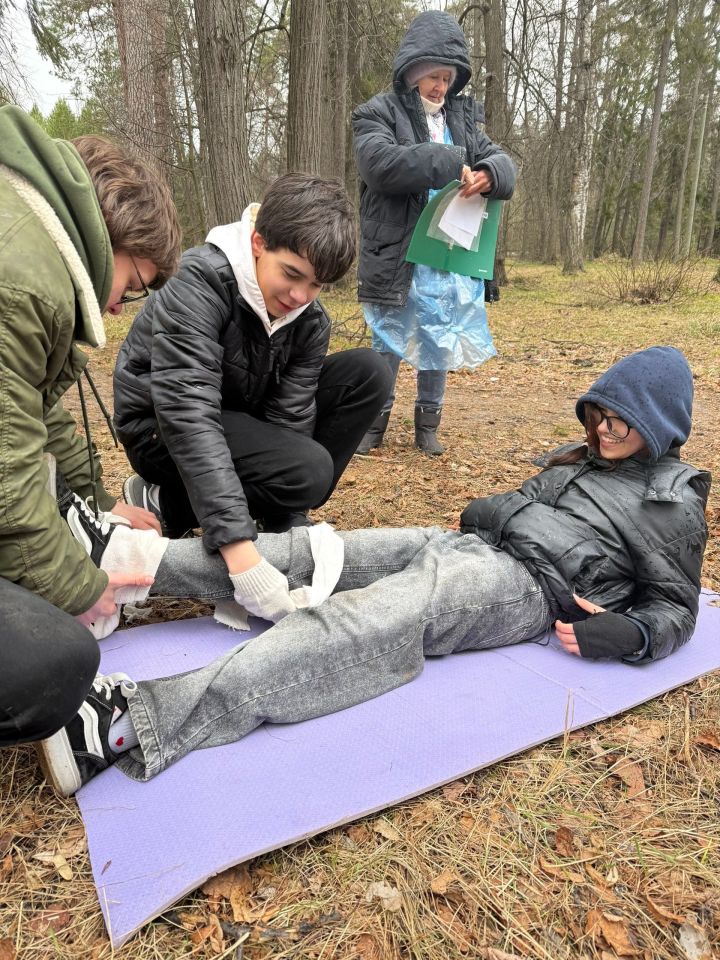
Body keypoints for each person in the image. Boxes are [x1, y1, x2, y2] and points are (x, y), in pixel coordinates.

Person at [28, 346, 709, 797]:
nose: (603, 429)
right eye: (599, 416)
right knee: (312, 552)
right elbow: (516, 506)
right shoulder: (583, 458)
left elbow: (675, 609)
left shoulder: (671, 503)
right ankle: (123, 560)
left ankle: (130, 722)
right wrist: (486, 513)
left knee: (364, 620)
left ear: (659, 423)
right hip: (472, 544)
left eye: (621, 421)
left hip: (526, 587)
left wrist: (628, 634)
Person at [113, 173, 393, 619]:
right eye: (292, 274)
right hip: (160, 428)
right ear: (259, 242)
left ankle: (269, 513)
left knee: (368, 373)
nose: (300, 296)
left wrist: (288, 512)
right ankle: (165, 501)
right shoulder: (199, 280)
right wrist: (238, 547)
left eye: (316, 285)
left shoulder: (309, 320)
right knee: (308, 469)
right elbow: (187, 411)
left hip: (240, 421)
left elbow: (289, 419)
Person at [0, 104, 181, 645]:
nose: (120, 307)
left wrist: (99, 501)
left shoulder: (30, 236)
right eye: (132, 285)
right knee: (60, 658)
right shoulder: (25, 286)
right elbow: (5, 471)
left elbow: (33, 411)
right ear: (112, 238)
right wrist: (77, 589)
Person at [353, 10, 517, 456]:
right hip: (398, 251)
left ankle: (428, 425)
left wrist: (489, 173)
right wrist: (450, 160)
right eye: (433, 75)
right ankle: (372, 425)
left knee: (438, 336)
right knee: (387, 340)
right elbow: (379, 165)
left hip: (446, 254)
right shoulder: (376, 113)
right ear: (412, 70)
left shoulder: (461, 121)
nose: (440, 86)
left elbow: (504, 163)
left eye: (447, 77)